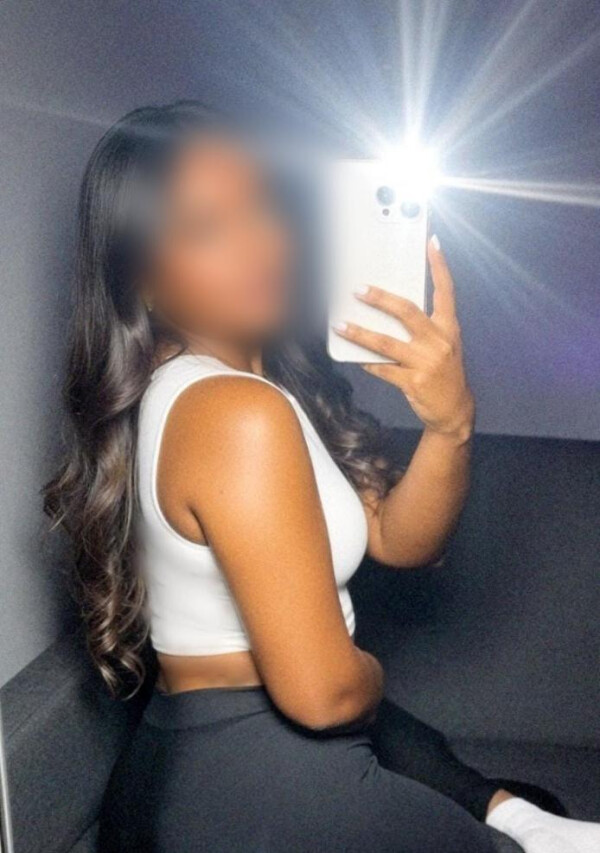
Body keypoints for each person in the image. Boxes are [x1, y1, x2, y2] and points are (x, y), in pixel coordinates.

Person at [44, 101, 600, 853]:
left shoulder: (247, 386)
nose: (257, 244)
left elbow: (400, 539)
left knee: (419, 746)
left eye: (260, 205)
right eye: (206, 228)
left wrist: (451, 424)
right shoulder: (234, 411)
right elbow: (324, 695)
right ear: (141, 279)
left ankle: (519, 817)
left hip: (194, 765)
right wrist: (362, 667)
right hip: (259, 787)